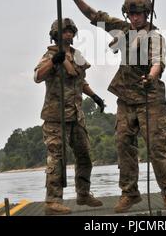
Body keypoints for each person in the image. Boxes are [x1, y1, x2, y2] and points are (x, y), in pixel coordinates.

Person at [61, 0, 166, 213]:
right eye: (131, 14)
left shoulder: (155, 37)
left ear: (147, 14)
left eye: (139, 14)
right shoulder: (123, 30)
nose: (135, 18)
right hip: (126, 99)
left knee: (158, 147)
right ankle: (129, 193)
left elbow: (158, 63)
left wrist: (151, 77)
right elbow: (94, 16)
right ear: (127, 15)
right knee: (123, 145)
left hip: (150, 99)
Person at [34, 18, 104, 215]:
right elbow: (38, 76)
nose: (69, 34)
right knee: (57, 159)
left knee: (85, 156)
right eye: (65, 31)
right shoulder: (50, 55)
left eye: (71, 31)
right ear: (56, 34)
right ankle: (53, 201)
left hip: (76, 116)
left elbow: (81, 81)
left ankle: (83, 193)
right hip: (56, 118)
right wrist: (54, 62)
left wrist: (95, 96)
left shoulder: (77, 56)